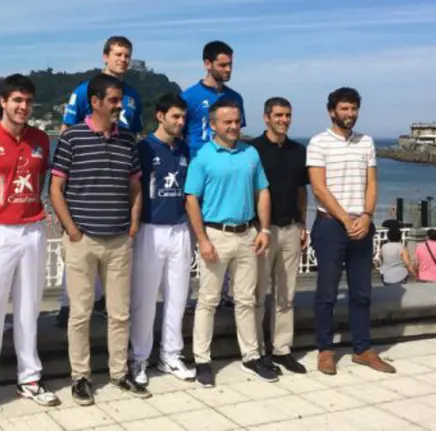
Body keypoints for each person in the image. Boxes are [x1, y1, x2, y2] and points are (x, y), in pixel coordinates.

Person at [0, 74, 60, 421]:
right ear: (3, 102)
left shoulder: (40, 140)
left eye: (28, 102)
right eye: (17, 101)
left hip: (33, 231)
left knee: (28, 309)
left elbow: (43, 181)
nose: (23, 107)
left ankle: (30, 378)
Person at [49, 73, 148, 404]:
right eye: (114, 100)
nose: (120, 106)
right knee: (80, 314)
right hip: (83, 240)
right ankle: (80, 377)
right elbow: (55, 189)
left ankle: (119, 374)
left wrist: (133, 222)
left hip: (119, 240)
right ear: (95, 102)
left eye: (121, 100)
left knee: (120, 313)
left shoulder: (127, 141)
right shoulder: (72, 138)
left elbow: (135, 186)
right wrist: (72, 229)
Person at [184, 99, 276, 387]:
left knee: (247, 300)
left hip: (247, 234)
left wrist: (264, 230)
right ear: (213, 124)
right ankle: (202, 360)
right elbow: (191, 200)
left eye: (237, 121)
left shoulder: (251, 153)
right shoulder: (203, 157)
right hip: (216, 235)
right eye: (228, 122)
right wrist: (202, 239)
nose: (234, 126)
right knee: (208, 301)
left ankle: (251, 356)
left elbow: (262, 191)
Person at [307, 87, 396, 375]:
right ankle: (325, 350)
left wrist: (368, 216)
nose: (350, 114)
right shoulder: (318, 143)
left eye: (354, 108)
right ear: (332, 111)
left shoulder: (366, 142)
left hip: (362, 225)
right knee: (327, 294)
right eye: (344, 109)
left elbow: (372, 183)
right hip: (331, 226)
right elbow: (319, 187)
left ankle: (362, 348)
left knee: (361, 292)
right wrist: (345, 218)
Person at [55, 35, 141, 327]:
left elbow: (136, 135)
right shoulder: (84, 89)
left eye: (127, 55)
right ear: (105, 56)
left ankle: (103, 302)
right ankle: (68, 305)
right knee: (79, 249)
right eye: (118, 54)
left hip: (119, 165)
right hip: (86, 171)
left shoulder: (133, 96)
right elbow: (67, 129)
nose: (123, 59)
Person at [128, 94, 195, 386]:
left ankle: (170, 355)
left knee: (178, 297)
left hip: (179, 230)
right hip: (149, 230)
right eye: (175, 117)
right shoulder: (142, 148)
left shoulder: (184, 149)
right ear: (160, 116)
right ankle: (139, 357)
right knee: (144, 299)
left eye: (183, 118)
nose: (180, 123)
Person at [181, 41, 245, 311]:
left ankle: (226, 293)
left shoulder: (235, 98)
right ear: (207, 64)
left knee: (227, 239)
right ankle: (183, 298)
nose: (228, 69)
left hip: (227, 178)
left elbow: (237, 136)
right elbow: (181, 134)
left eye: (230, 64)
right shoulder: (190, 96)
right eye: (222, 64)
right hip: (198, 175)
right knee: (190, 242)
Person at [249, 97, 308, 375]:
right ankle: (258, 351)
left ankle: (282, 349)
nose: (284, 120)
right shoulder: (253, 150)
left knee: (286, 294)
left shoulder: (299, 150)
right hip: (262, 231)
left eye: (288, 115)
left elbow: (301, 191)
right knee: (258, 294)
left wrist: (304, 225)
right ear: (266, 118)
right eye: (279, 115)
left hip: (291, 228)